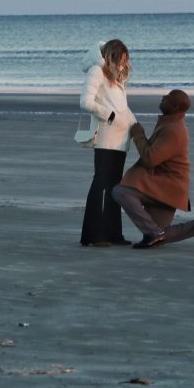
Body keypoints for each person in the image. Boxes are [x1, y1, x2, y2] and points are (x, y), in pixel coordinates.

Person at [112, 89, 194, 249]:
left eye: (168, 98)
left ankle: (154, 234)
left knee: (121, 192)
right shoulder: (170, 123)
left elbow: (150, 159)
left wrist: (138, 135)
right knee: (159, 233)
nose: (163, 97)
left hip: (165, 188)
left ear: (175, 107)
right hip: (164, 187)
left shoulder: (174, 130)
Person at [79, 39, 137, 247]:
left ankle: (113, 234)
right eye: (120, 61)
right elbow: (85, 102)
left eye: (124, 62)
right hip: (106, 140)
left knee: (115, 188)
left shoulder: (116, 77)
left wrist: (132, 123)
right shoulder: (97, 71)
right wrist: (110, 116)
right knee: (101, 185)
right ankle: (93, 236)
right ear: (111, 57)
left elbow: (121, 106)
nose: (122, 66)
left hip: (121, 141)